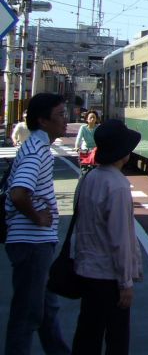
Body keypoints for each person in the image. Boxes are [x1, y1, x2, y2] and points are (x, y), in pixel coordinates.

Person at [3, 93, 71, 355]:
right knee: (27, 314)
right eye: (61, 115)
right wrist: (37, 216)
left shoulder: (35, 146)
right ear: (43, 121)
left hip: (35, 242)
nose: (66, 121)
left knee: (45, 309)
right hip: (31, 242)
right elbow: (19, 192)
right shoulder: (37, 151)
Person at [71, 119, 143, 355]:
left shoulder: (89, 178)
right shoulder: (118, 186)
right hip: (109, 276)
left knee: (87, 334)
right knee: (117, 338)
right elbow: (120, 239)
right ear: (123, 153)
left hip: (86, 270)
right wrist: (126, 283)